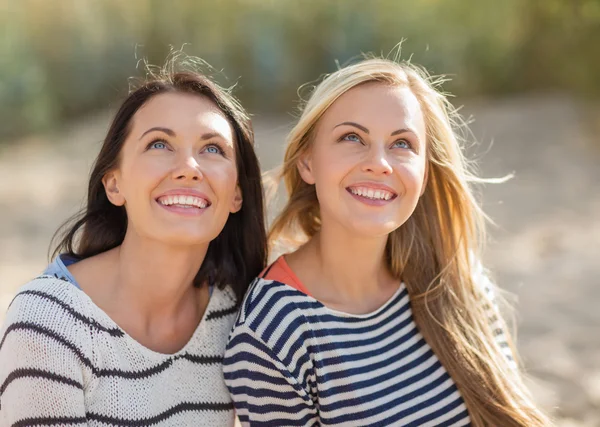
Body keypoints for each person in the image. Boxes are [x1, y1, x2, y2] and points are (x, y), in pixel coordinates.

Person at [223, 57, 550, 426]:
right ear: (308, 162)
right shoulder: (274, 328)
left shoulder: (457, 279)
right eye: (352, 138)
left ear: (423, 174)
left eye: (401, 143)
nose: (379, 163)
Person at [0, 58, 267, 426]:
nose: (190, 166)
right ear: (114, 184)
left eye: (213, 149)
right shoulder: (49, 323)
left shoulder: (237, 316)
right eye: (159, 144)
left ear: (236, 194)